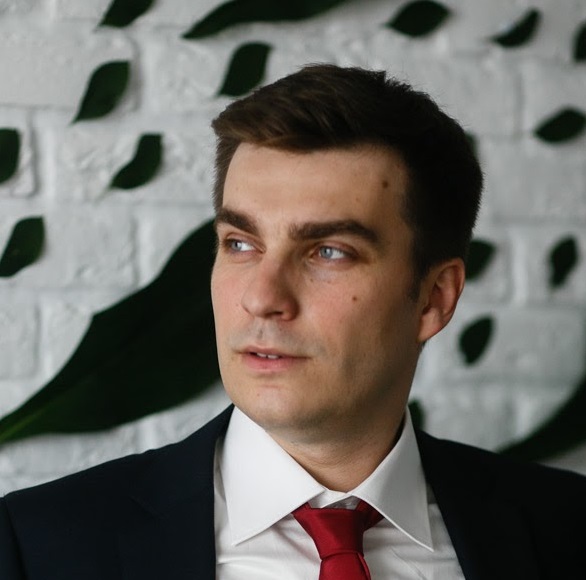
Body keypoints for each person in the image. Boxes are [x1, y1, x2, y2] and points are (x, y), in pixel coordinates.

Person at [1, 64, 585, 579]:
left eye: (329, 251)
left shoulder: (567, 530)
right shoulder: (35, 545)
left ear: (434, 298)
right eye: (240, 243)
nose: (262, 298)